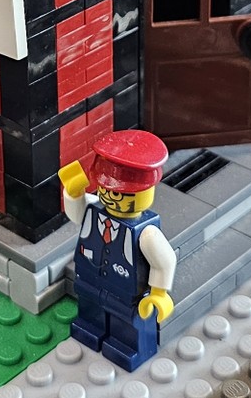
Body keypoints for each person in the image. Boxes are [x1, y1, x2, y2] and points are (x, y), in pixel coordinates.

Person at [59, 130, 176, 371]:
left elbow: (164, 260)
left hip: (126, 292)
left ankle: (128, 347)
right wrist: (73, 193)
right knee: (90, 308)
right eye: (107, 190)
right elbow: (77, 213)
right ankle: (90, 329)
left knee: (127, 321)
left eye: (120, 194)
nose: (112, 197)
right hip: (90, 278)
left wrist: (158, 293)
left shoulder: (146, 233)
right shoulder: (93, 210)